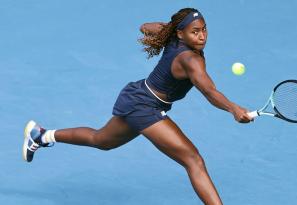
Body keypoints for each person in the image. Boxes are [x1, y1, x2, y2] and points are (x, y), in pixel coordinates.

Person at [22, 8, 252, 205]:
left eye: (204, 29)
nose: (202, 36)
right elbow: (209, 91)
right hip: (144, 106)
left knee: (101, 140)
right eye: (195, 31)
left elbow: (145, 27)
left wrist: (170, 28)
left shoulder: (174, 38)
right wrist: (233, 108)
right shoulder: (190, 60)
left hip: (138, 95)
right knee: (193, 160)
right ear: (181, 34)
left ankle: (42, 135)